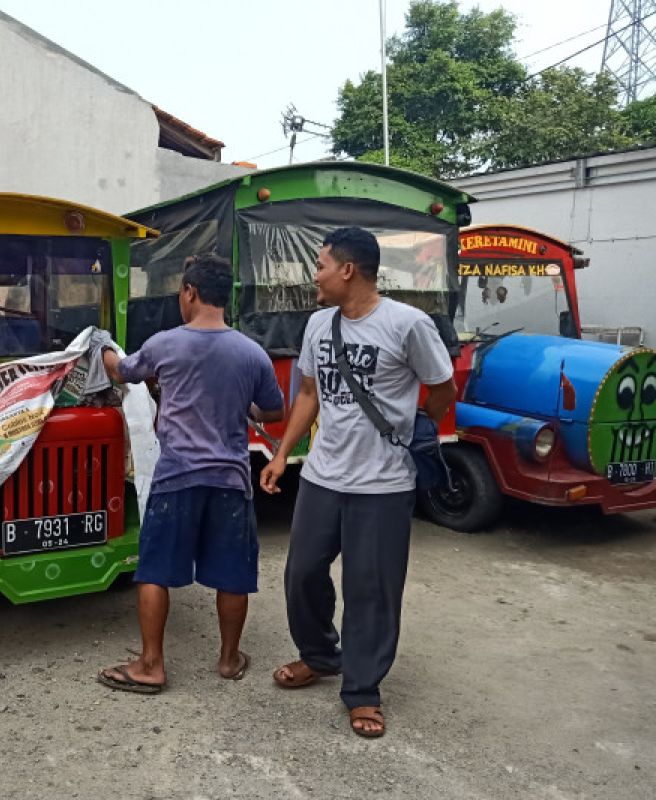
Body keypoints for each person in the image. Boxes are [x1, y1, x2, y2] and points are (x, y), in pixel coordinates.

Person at [259, 227, 457, 739]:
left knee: (371, 590)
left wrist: (411, 429)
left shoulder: (407, 325)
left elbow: (441, 388)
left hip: (384, 483)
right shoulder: (318, 324)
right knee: (302, 573)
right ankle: (321, 655)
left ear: (348, 270)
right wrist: (283, 454)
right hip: (324, 475)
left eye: (321, 265)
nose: (314, 276)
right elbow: (307, 391)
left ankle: (363, 690)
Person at [96, 253, 284, 694]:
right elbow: (273, 410)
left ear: (190, 292)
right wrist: (245, 406)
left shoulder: (165, 344)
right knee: (232, 575)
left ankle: (150, 665)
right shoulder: (251, 353)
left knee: (155, 572)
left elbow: (122, 372)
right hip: (230, 482)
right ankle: (228, 658)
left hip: (176, 478)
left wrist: (100, 345)